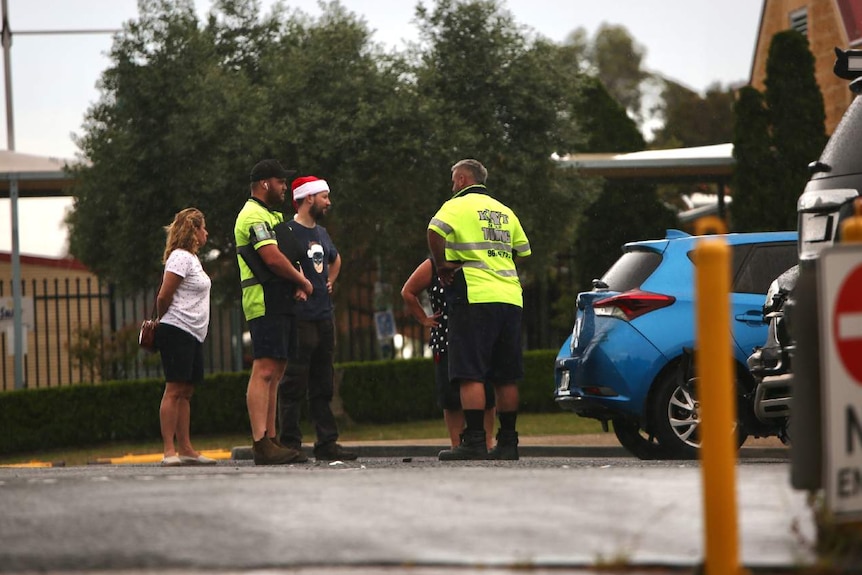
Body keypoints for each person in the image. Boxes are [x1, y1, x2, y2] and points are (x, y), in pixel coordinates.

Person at [427, 159, 531, 461]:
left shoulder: (456, 206)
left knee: (469, 372)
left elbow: (434, 231)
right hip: (510, 297)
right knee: (506, 376)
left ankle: (473, 441)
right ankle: (508, 442)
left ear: (461, 179)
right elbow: (522, 250)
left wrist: (442, 264)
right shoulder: (504, 210)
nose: (451, 186)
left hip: (474, 294)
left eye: (452, 180)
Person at [235, 159, 314, 465]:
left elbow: (287, 256)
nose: (285, 187)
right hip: (264, 300)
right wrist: (302, 281)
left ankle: (271, 438)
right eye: (281, 182)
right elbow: (271, 258)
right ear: (265, 184)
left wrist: (295, 280)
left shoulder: (271, 215)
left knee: (276, 371)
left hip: (280, 299)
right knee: (265, 369)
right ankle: (261, 442)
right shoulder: (252, 215)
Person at [276, 176, 357, 461]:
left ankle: (327, 443)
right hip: (300, 318)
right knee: (294, 382)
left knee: (324, 383)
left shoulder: (322, 233)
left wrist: (330, 281)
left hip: (324, 316)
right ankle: (290, 444)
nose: (328, 202)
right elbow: (277, 265)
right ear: (308, 198)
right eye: (324, 196)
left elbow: (335, 259)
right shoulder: (286, 231)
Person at [401, 257, 496, 449]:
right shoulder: (433, 264)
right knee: (450, 394)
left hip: (479, 334)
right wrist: (424, 319)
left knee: (486, 389)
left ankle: (486, 441)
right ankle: (456, 443)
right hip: (446, 337)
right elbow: (408, 292)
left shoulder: (478, 257)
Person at [154, 208, 217, 467]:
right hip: (177, 329)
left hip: (193, 332)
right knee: (174, 388)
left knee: (187, 391)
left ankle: (187, 448)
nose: (206, 233)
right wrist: (164, 321)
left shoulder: (192, 259)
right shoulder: (180, 257)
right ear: (193, 230)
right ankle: (169, 450)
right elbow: (163, 296)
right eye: (203, 228)